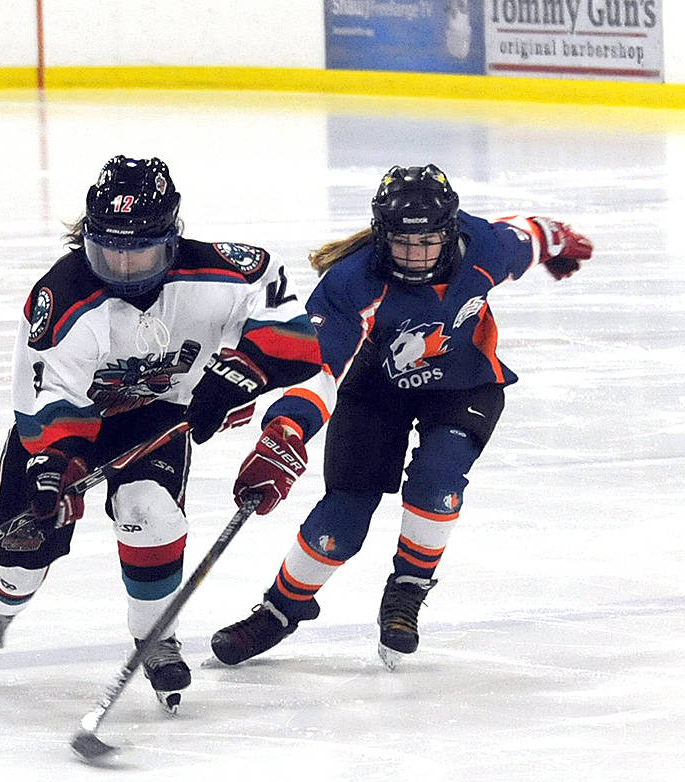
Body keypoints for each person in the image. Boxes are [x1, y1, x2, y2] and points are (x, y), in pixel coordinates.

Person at [0, 154, 323, 709]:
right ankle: (3, 603)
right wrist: (54, 469)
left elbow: (295, 337)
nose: (125, 270)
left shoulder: (231, 273)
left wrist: (239, 374)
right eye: (109, 253)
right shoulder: (60, 300)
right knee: (20, 554)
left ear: (174, 237)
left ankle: (155, 633)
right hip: (66, 428)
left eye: (141, 253)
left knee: (150, 512)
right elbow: (46, 399)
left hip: (157, 416)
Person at [208, 164, 593, 669]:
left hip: (464, 384)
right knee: (342, 518)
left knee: (438, 483)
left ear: (451, 234)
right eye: (402, 244)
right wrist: (287, 429)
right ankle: (280, 611)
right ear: (380, 235)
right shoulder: (350, 281)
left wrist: (559, 243)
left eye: (428, 243)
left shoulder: (488, 250)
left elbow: (534, 234)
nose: (414, 257)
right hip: (374, 392)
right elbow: (320, 369)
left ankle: (407, 589)